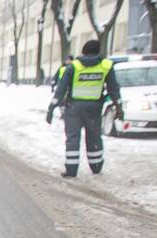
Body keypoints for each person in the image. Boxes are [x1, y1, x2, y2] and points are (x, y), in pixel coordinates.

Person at [45, 40, 123, 178]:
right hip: (94, 108)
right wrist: (119, 106)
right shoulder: (106, 66)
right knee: (94, 137)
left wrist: (52, 106)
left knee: (73, 138)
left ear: (83, 51)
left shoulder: (74, 66)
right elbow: (113, 88)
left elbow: (61, 88)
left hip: (74, 108)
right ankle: (96, 166)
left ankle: (71, 169)